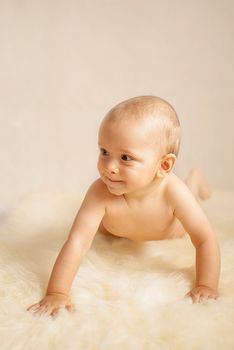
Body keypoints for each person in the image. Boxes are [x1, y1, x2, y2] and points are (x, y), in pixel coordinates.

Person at [27, 96, 220, 317]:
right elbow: (77, 242)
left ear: (164, 165)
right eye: (104, 152)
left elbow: (205, 239)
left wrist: (206, 285)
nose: (109, 167)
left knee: (190, 193)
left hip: (170, 232)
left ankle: (195, 179)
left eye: (126, 157)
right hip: (117, 233)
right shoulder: (100, 192)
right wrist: (57, 292)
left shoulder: (173, 193)